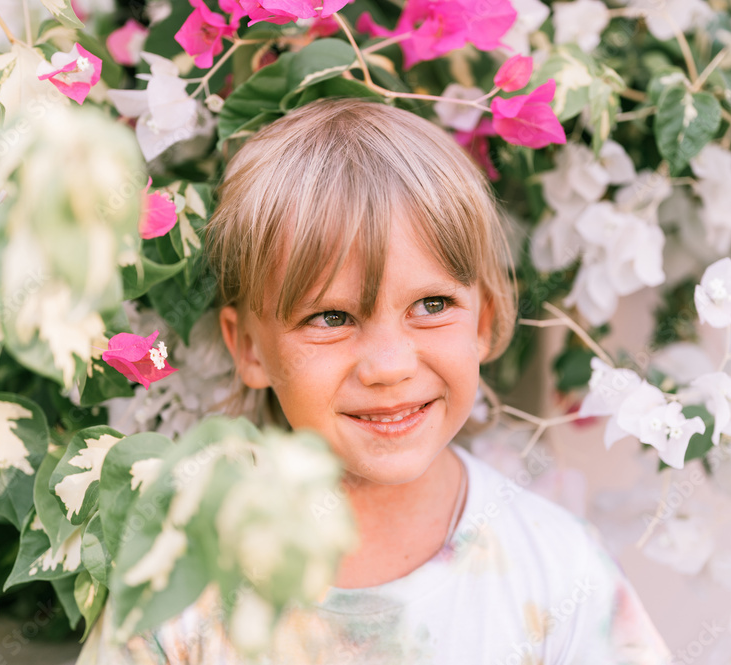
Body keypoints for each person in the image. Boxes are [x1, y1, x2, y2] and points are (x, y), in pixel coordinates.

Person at [84, 97, 671, 664]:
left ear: (484, 321)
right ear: (249, 348)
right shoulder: (181, 588)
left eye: (433, 304)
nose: (389, 366)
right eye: (331, 318)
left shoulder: (558, 572)